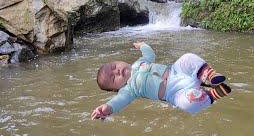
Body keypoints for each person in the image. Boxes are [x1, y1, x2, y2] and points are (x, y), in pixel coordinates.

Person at [91, 42, 231, 120]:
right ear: (116, 89)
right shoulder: (128, 90)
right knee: (188, 104)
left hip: (177, 71)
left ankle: (209, 75)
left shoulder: (139, 62)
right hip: (175, 93)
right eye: (113, 78)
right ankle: (211, 95)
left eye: (114, 67)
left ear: (119, 61)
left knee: (188, 58)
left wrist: (143, 46)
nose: (116, 71)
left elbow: (150, 54)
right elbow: (118, 102)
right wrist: (106, 108)